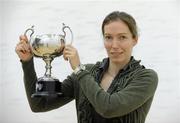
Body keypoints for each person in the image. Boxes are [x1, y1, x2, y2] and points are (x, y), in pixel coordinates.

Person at [15, 11, 158, 123]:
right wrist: (27, 62)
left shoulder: (146, 77)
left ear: (135, 39)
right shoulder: (87, 72)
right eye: (108, 37)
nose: (114, 45)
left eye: (122, 37)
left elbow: (108, 108)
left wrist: (78, 69)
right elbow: (39, 104)